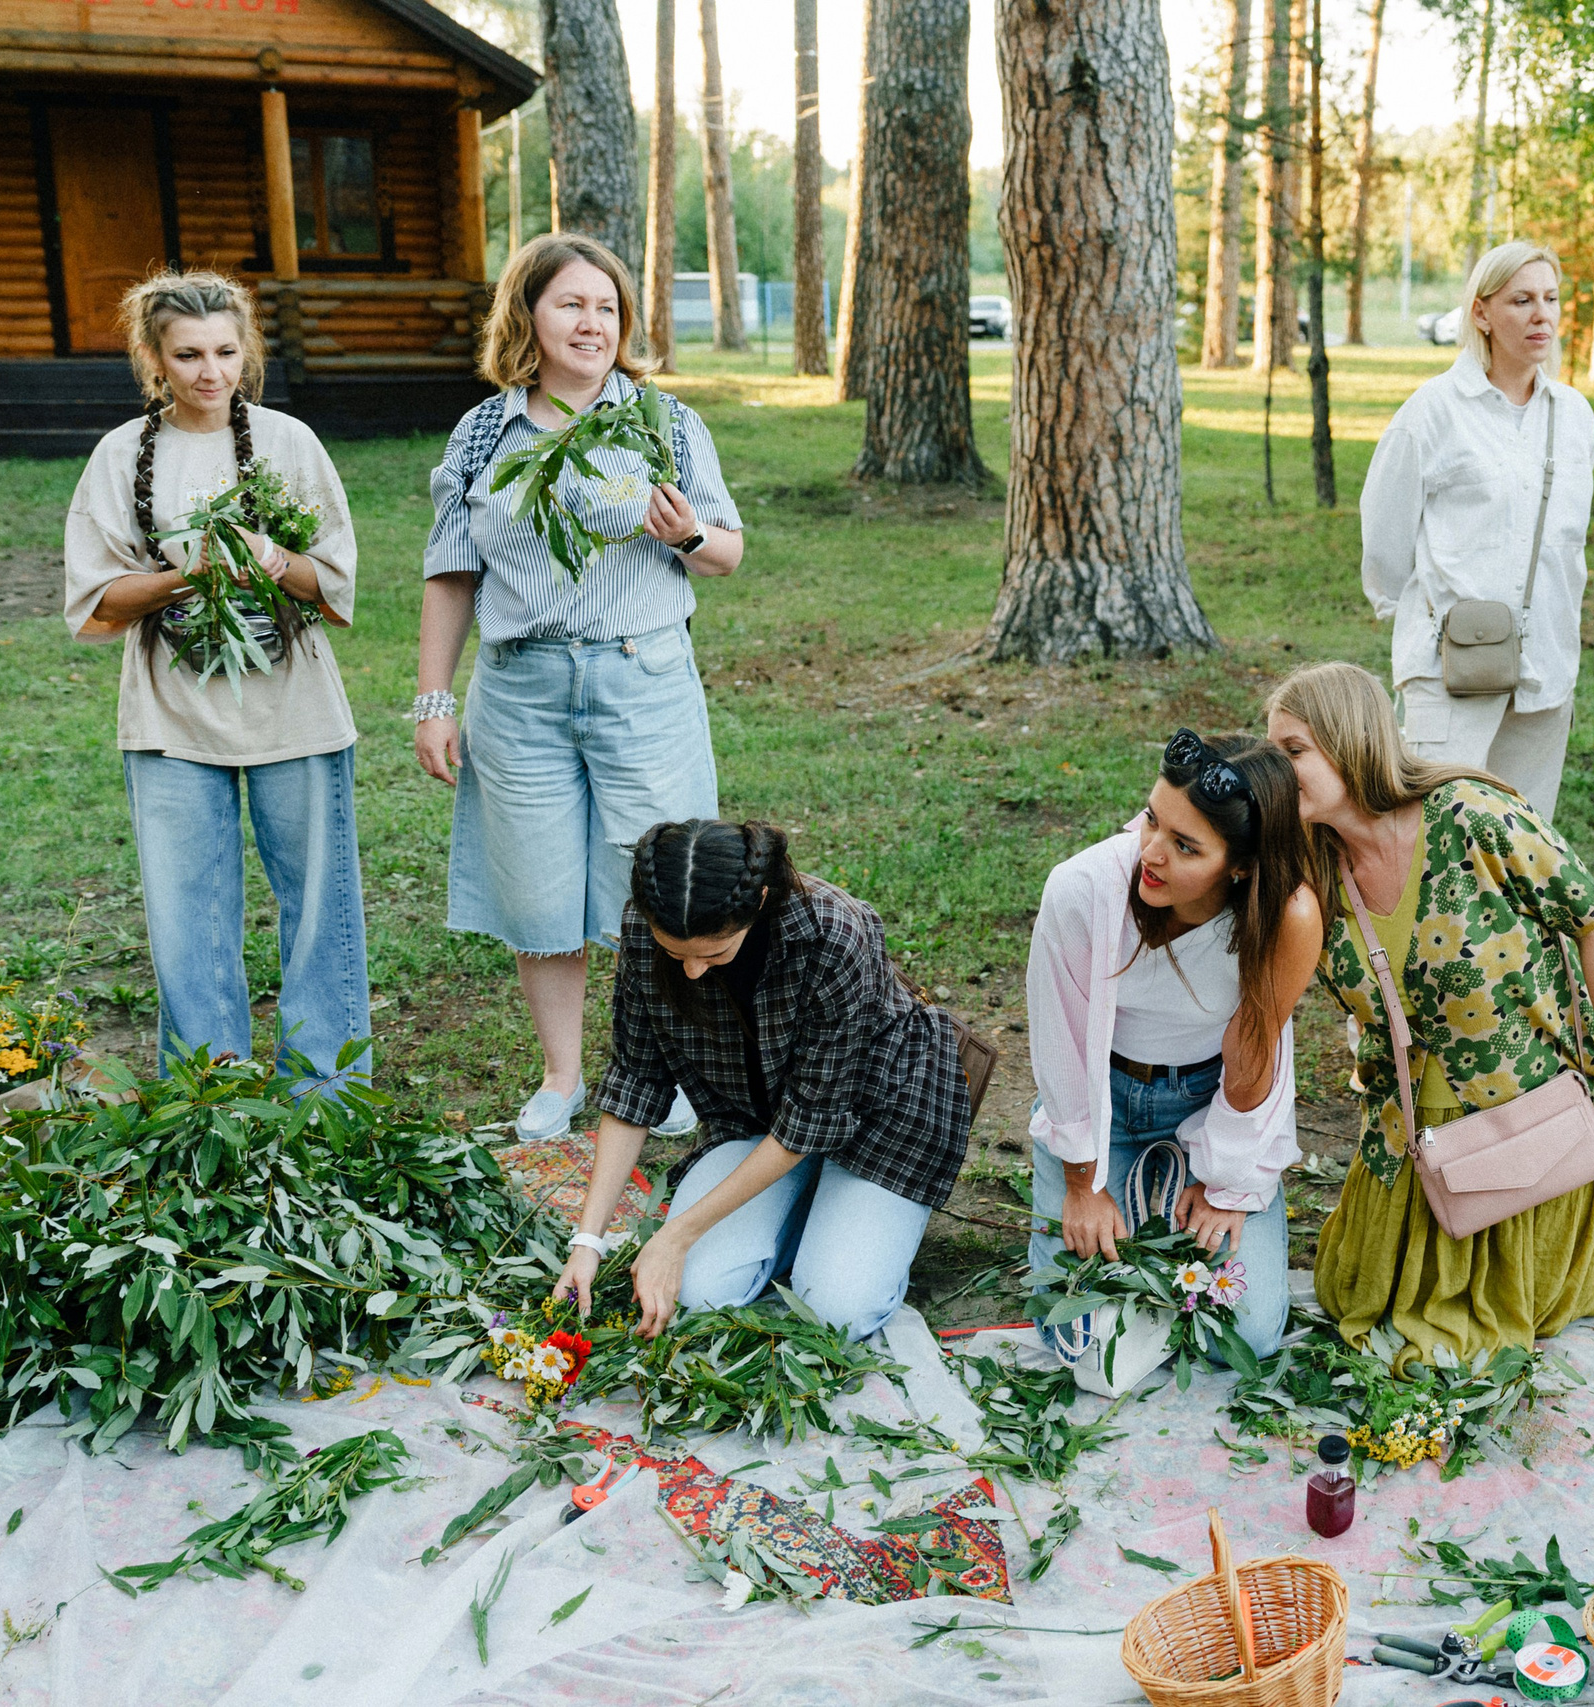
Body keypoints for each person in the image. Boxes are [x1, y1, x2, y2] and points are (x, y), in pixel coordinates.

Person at [415, 233, 744, 1144]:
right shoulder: (484, 432)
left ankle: (665, 1066)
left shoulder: (663, 424)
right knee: (539, 889)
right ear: (529, 315)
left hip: (643, 679)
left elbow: (726, 551)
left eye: (606, 306)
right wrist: (434, 699)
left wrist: (683, 535)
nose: (591, 322)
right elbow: (451, 573)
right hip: (520, 689)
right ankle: (562, 1075)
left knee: (660, 882)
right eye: (570, 304)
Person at [1263, 662, 1594, 1364]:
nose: (1279, 770)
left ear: (1349, 737)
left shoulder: (1470, 816)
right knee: (1350, 1291)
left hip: (1527, 1124)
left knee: (1450, 1336)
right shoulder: (1312, 875)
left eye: (1293, 751)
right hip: (1410, 1136)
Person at [63, 271, 369, 1090]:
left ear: (248, 351)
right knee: (187, 919)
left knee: (319, 912)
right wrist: (185, 578)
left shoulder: (288, 443)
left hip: (293, 710)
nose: (211, 372)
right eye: (189, 354)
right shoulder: (122, 454)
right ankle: (212, 1095)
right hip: (172, 719)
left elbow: (334, 588)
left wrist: (270, 557)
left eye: (226, 352)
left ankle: (325, 1095)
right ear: (155, 359)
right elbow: (94, 605)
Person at [550, 818, 974, 1340]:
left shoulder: (834, 930)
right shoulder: (644, 926)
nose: (692, 972)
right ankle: (807, 1202)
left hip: (881, 1116)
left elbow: (811, 1118)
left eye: (713, 953)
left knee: (836, 1311)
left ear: (760, 901)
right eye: (675, 953)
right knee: (695, 1294)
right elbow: (636, 1078)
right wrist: (587, 1241)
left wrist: (676, 1235)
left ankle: (849, 1207)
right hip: (758, 1116)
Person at [1025, 730, 1322, 1362]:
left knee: (1246, 1334)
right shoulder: (1080, 889)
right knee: (1071, 1334)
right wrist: (1083, 1182)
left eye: (1185, 846)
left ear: (1241, 865)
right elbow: (1062, 1046)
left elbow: (1255, 1058)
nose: (1151, 855)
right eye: (1153, 821)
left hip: (1206, 1102)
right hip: (1096, 1100)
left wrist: (1227, 1181)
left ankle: (1167, 1194)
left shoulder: (1286, 916)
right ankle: (1139, 1197)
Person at [1358, 240, 1594, 823]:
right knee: (1434, 842)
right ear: (1482, 314)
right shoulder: (1434, 410)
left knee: (1524, 855)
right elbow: (1385, 538)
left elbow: (1569, 547)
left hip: (1546, 669)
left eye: (1550, 298)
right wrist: (1426, 622)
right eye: (1521, 300)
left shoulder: (1573, 416)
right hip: (1450, 672)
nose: (1541, 314)